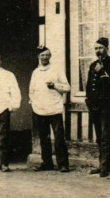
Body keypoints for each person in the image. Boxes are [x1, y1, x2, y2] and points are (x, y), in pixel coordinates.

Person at [29, 45, 71, 173]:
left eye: (47, 55)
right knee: (44, 138)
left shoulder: (57, 70)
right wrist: (34, 103)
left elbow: (67, 87)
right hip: (40, 109)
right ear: (38, 57)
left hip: (54, 108)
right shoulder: (35, 72)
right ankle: (47, 163)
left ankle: (63, 164)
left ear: (50, 56)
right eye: (42, 55)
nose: (44, 57)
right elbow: (31, 91)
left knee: (58, 137)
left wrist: (55, 86)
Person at [85, 37, 110, 178]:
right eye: (95, 48)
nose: (98, 51)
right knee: (99, 136)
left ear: (106, 48)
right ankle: (102, 165)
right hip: (95, 105)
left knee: (107, 136)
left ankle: (105, 167)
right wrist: (88, 100)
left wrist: (102, 72)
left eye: (100, 48)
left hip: (108, 105)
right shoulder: (93, 65)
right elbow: (89, 85)